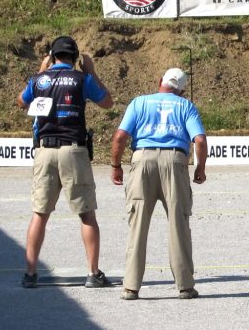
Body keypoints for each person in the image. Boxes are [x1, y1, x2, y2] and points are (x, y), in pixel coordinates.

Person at [17, 35, 114, 288]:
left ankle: (29, 273)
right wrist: (92, 71)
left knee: (40, 214)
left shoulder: (39, 80)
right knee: (86, 214)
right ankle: (93, 273)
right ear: (75, 57)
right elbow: (107, 101)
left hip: (44, 150)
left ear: (51, 56)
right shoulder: (82, 79)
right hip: (73, 149)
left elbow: (21, 101)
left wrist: (40, 72)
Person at [111, 68, 208, 300]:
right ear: (182, 90)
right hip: (175, 161)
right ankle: (185, 286)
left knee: (138, 224)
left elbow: (120, 137)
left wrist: (116, 164)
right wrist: (200, 168)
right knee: (179, 223)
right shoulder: (185, 106)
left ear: (159, 81)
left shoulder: (139, 103)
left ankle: (131, 287)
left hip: (142, 159)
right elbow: (200, 140)